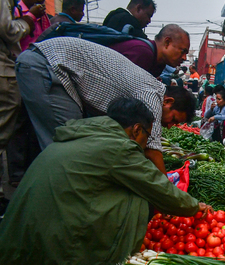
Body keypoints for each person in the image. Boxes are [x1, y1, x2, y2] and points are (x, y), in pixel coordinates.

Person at [0, 97, 208, 265]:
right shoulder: (120, 147)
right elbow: (158, 190)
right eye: (147, 134)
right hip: (51, 240)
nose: (146, 143)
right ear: (136, 129)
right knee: (135, 198)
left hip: (19, 244)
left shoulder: (79, 134)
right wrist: (195, 206)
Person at [15, 37, 196, 173]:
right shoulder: (151, 95)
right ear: (168, 101)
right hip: (47, 66)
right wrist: (166, 194)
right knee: (67, 148)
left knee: (68, 147)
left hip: (46, 64)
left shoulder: (150, 86)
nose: (170, 126)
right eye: (173, 119)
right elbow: (151, 149)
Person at [0, 0, 43, 216]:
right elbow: (8, 31)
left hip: (13, 68)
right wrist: (28, 19)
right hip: (7, 69)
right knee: (6, 133)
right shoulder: (10, 5)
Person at [109, 24, 190, 78]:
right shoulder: (142, 52)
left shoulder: (159, 63)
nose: (184, 57)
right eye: (183, 51)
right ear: (167, 42)